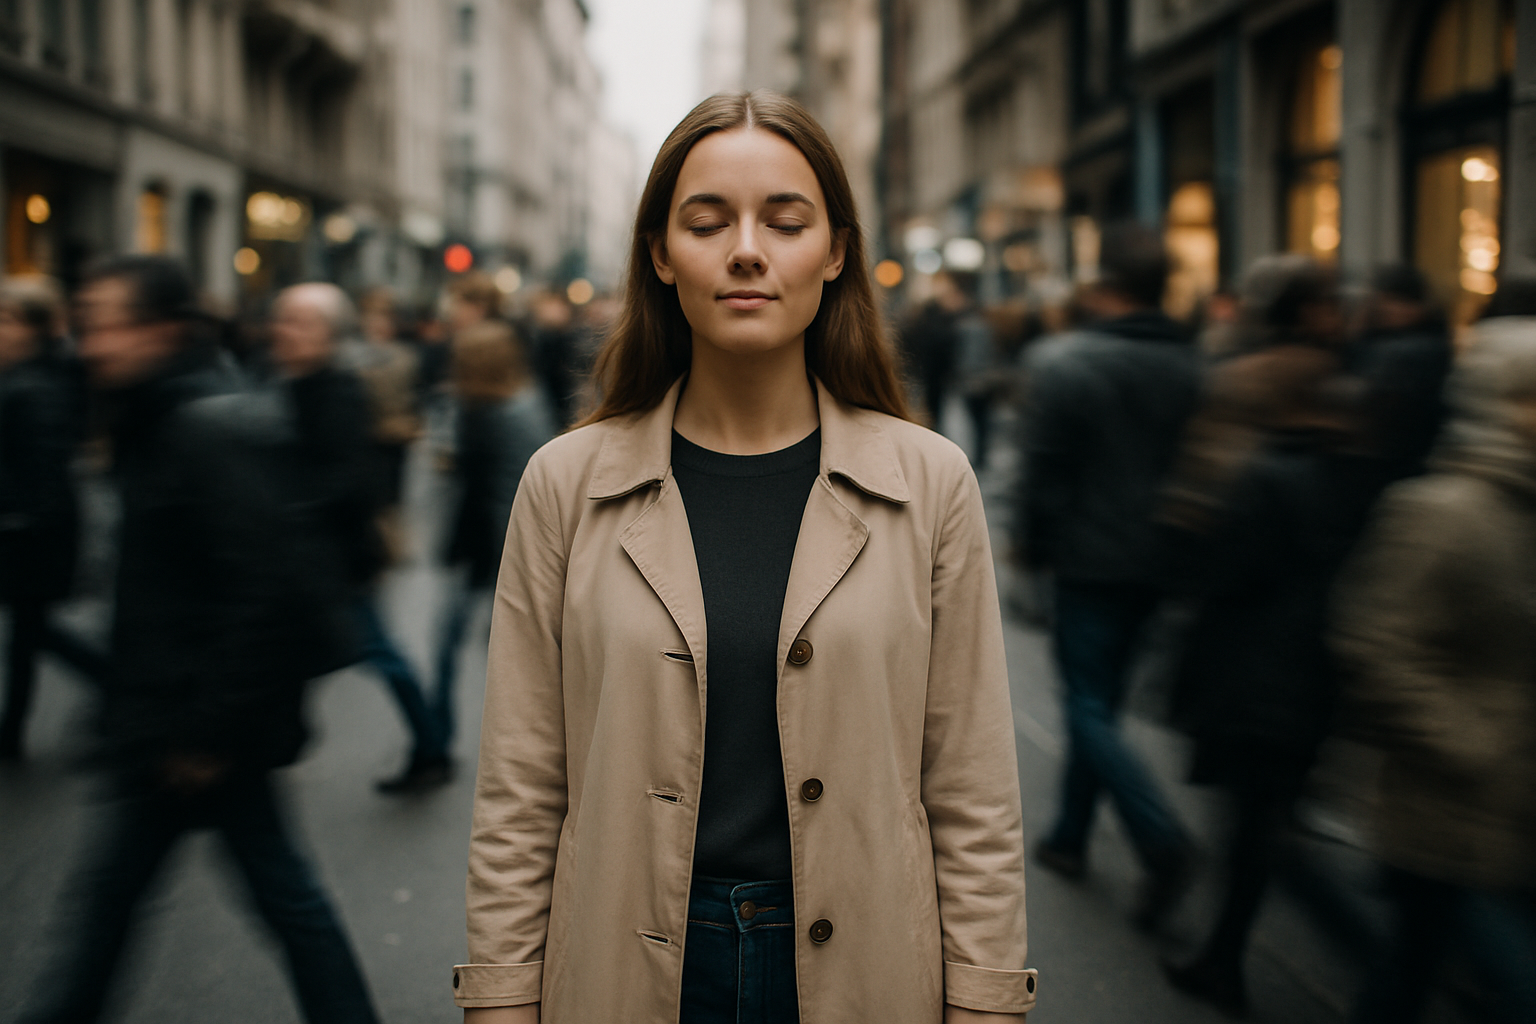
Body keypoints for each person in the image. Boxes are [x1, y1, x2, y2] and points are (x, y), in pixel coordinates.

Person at [454, 90, 1037, 1024]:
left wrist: (987, 1000)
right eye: (707, 220)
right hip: (622, 962)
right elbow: (522, 786)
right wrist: (499, 997)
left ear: (836, 251)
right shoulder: (565, 484)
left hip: (868, 968)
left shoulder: (929, 483)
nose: (747, 250)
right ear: (660, 252)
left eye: (786, 220)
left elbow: (969, 787)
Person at [18, 256, 378, 1024]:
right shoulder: (160, 418)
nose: (92, 344)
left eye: (111, 323)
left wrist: (208, 730)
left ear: (166, 330)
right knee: (143, 905)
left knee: (124, 909)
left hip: (195, 730)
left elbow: (266, 592)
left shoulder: (207, 425)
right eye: (86, 324)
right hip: (175, 720)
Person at [1156, 257, 1384, 1014]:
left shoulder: (1260, 457)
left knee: (1265, 831)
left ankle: (1379, 967)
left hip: (1254, 663)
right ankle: (1224, 953)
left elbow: (1218, 553)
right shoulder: (1350, 454)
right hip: (1318, 655)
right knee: (1267, 821)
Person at [1334, 292, 1536, 1024]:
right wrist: (1474, 745)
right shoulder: (1442, 511)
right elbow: (1374, 641)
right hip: (1450, 811)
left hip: (1512, 809)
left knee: (1416, 965)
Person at [1017, 221, 1197, 927]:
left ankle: (1159, 838)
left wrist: (1031, 546)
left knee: (1088, 706)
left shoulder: (1069, 363)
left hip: (1089, 560)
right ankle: (1068, 836)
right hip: (1156, 562)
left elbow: (1043, 471)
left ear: (1108, 283)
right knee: (1102, 704)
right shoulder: (1193, 366)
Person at [269, 283, 449, 793]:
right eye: (281, 321)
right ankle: (279, 741)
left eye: (300, 324)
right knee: (293, 650)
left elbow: (351, 482)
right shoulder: (285, 383)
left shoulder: (339, 391)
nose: (284, 332)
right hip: (305, 559)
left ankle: (431, 746)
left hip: (336, 561)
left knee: (378, 653)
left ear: (330, 335)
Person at [432, 320, 555, 753]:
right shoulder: (522, 400)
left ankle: (440, 742)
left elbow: (501, 490)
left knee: (471, 648)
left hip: (495, 548)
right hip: (500, 545)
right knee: (501, 652)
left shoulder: (490, 414)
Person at [0, 277, 101, 760]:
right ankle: (12, 730)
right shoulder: (23, 376)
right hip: (27, 527)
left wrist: (21, 518)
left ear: (34, 329)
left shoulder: (36, 385)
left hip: (32, 531)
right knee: (29, 632)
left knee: (33, 630)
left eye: (7, 319)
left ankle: (118, 683)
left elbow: (43, 467)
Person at [1346, 264, 1453, 481]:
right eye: (1384, 301)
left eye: (1398, 301)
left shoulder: (1418, 349)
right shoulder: (1372, 340)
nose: (1390, 309)